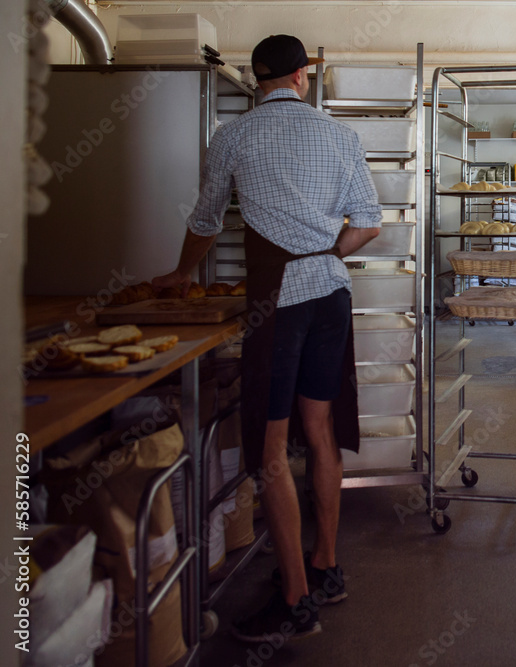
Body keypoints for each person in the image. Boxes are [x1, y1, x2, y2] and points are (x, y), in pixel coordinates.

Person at [152, 34, 382, 643]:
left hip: (277, 302)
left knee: (272, 448)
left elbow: (205, 220)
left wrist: (180, 274)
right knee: (321, 428)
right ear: (303, 76)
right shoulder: (341, 136)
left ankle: (293, 597)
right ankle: (326, 567)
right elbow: (368, 225)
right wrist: (324, 252)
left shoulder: (234, 135)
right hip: (331, 294)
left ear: (258, 81)